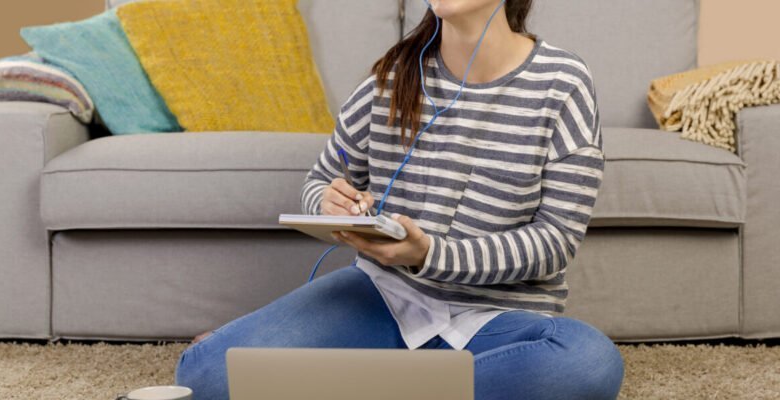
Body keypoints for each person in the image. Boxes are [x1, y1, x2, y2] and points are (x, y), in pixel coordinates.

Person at [175, 0, 625, 399]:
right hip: (384, 296)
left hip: (498, 318)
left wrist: (429, 253)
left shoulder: (562, 82)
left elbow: (555, 241)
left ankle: (353, 384)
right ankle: (417, 385)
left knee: (588, 362)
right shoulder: (392, 77)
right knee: (204, 374)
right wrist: (329, 204)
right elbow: (322, 180)